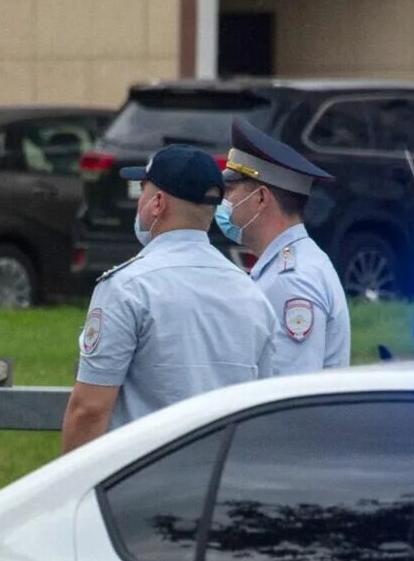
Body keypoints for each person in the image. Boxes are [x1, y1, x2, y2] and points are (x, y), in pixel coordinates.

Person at [61, 145, 279, 453]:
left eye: (143, 190)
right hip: (219, 484)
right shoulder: (251, 293)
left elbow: (90, 409)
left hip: (144, 482)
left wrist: (72, 490)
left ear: (158, 203)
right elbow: (260, 407)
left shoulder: (127, 287)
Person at [217, 118, 351, 374]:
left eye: (230, 191)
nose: (224, 203)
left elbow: (289, 391)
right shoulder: (287, 266)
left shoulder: (290, 281)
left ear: (260, 198)